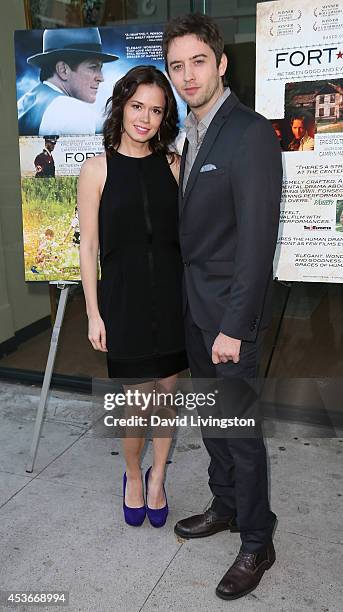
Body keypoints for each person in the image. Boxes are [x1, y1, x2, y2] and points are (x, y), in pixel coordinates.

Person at [163, 13, 282, 600]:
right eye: (176, 65)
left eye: (197, 62)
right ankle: (227, 506)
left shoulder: (250, 132)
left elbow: (257, 243)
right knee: (214, 426)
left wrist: (235, 326)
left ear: (222, 63)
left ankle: (258, 540)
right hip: (194, 311)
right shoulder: (188, 132)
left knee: (240, 433)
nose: (186, 76)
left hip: (229, 319)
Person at [78, 65, 188, 529]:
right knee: (136, 403)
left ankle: (158, 476)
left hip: (173, 302)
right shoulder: (96, 168)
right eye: (137, 105)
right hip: (124, 302)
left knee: (167, 397)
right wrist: (92, 313)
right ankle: (132, 475)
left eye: (156, 111)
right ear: (121, 105)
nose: (145, 118)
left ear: (166, 118)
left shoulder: (173, 165)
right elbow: (87, 246)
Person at [18, 28, 118, 136]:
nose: (101, 78)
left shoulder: (24, 103)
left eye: (100, 68)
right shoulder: (74, 111)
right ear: (63, 70)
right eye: (93, 67)